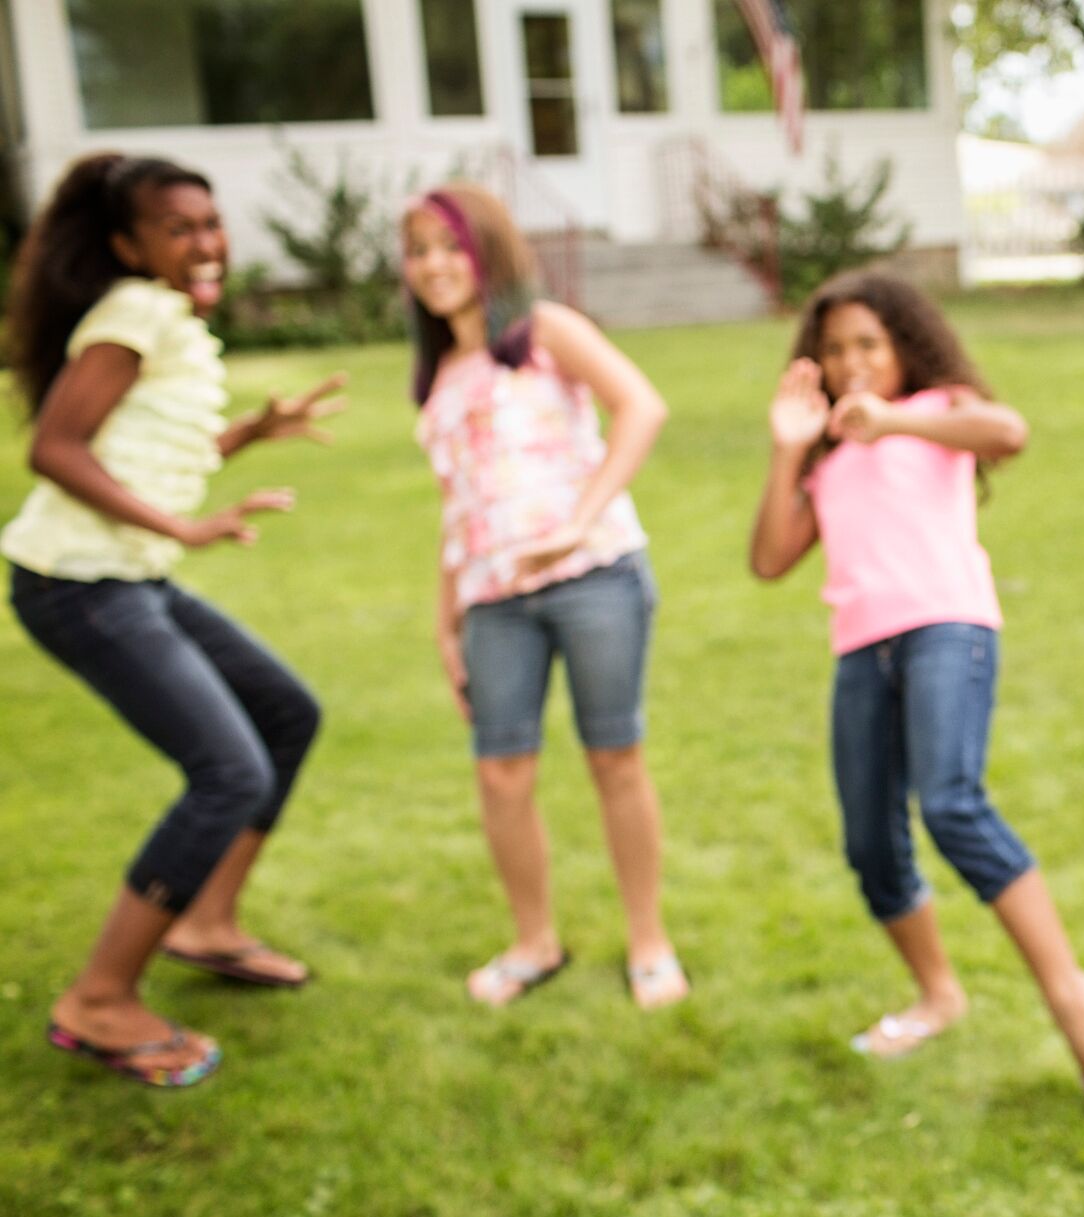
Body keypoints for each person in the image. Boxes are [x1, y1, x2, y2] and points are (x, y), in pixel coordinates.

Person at [751, 270, 1084, 1117]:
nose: (851, 364)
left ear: (902, 349)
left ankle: (1078, 997)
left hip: (945, 628)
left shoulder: (938, 411)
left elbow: (1009, 430)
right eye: (834, 348)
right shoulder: (827, 451)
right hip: (862, 647)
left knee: (952, 805)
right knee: (869, 843)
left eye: (868, 345)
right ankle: (937, 995)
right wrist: (791, 446)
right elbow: (770, 558)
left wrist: (890, 416)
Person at [5, 153, 344, 1087]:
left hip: (127, 578)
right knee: (228, 770)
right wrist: (183, 527)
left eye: (210, 222)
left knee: (285, 714)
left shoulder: (163, 318)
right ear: (128, 244)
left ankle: (204, 922)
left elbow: (144, 441)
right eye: (178, 228)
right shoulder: (135, 313)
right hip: (78, 582)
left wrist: (246, 435)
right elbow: (57, 449)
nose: (205, 243)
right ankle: (100, 999)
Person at [401, 184, 685, 1011]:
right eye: (418, 250)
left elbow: (642, 405)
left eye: (449, 245)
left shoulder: (543, 332)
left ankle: (649, 943)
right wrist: (445, 620)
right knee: (501, 775)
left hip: (594, 577)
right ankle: (534, 942)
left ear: (486, 249)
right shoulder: (438, 376)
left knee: (614, 758)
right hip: (492, 600)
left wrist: (580, 520)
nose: (433, 266)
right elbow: (458, 507)